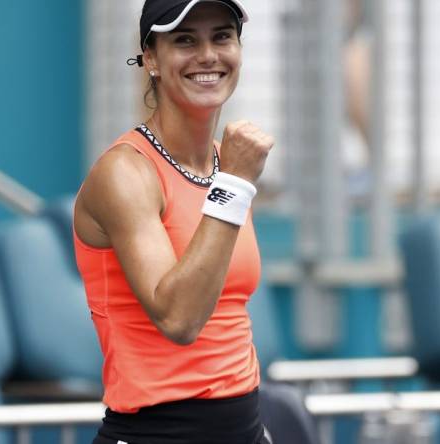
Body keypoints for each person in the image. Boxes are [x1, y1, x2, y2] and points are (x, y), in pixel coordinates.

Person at [73, 1, 274, 442]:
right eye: (185, 40)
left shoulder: (228, 163)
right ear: (150, 58)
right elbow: (179, 320)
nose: (207, 55)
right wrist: (235, 186)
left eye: (222, 36)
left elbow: (228, 327)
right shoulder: (124, 173)